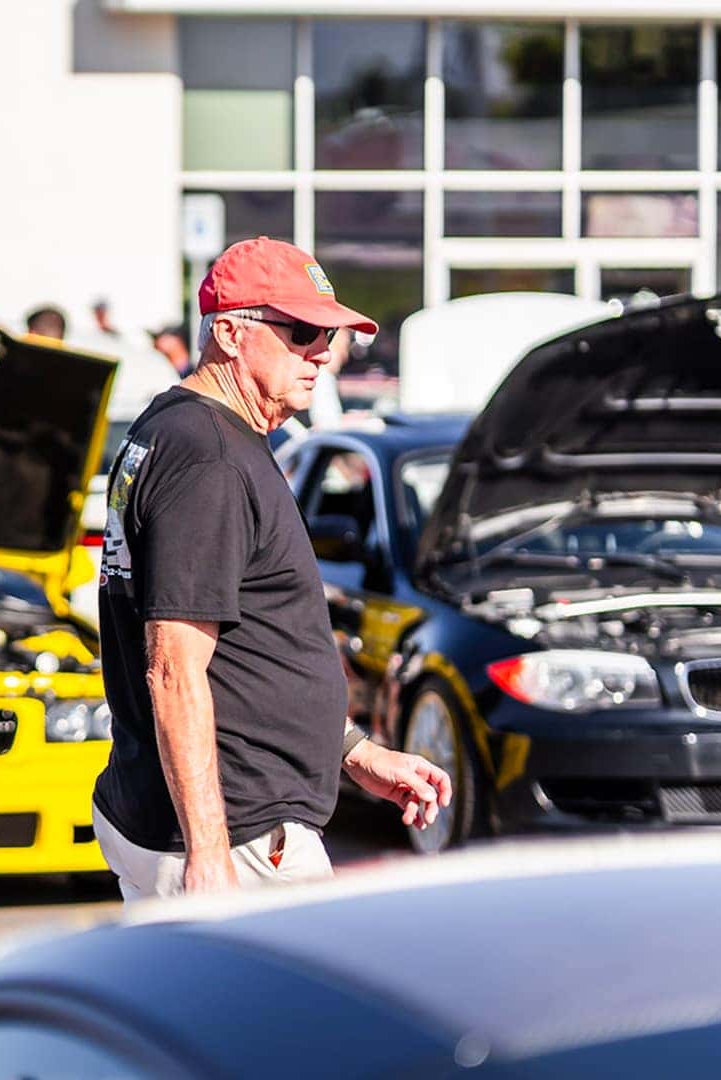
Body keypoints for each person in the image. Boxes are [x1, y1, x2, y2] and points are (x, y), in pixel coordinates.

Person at [91, 237, 451, 901]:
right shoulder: (207, 457)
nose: (323, 352)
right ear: (230, 332)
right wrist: (210, 855)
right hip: (239, 835)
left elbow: (254, 645)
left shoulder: (183, 428)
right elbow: (173, 667)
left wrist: (354, 752)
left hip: (218, 817)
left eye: (330, 335)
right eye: (302, 332)